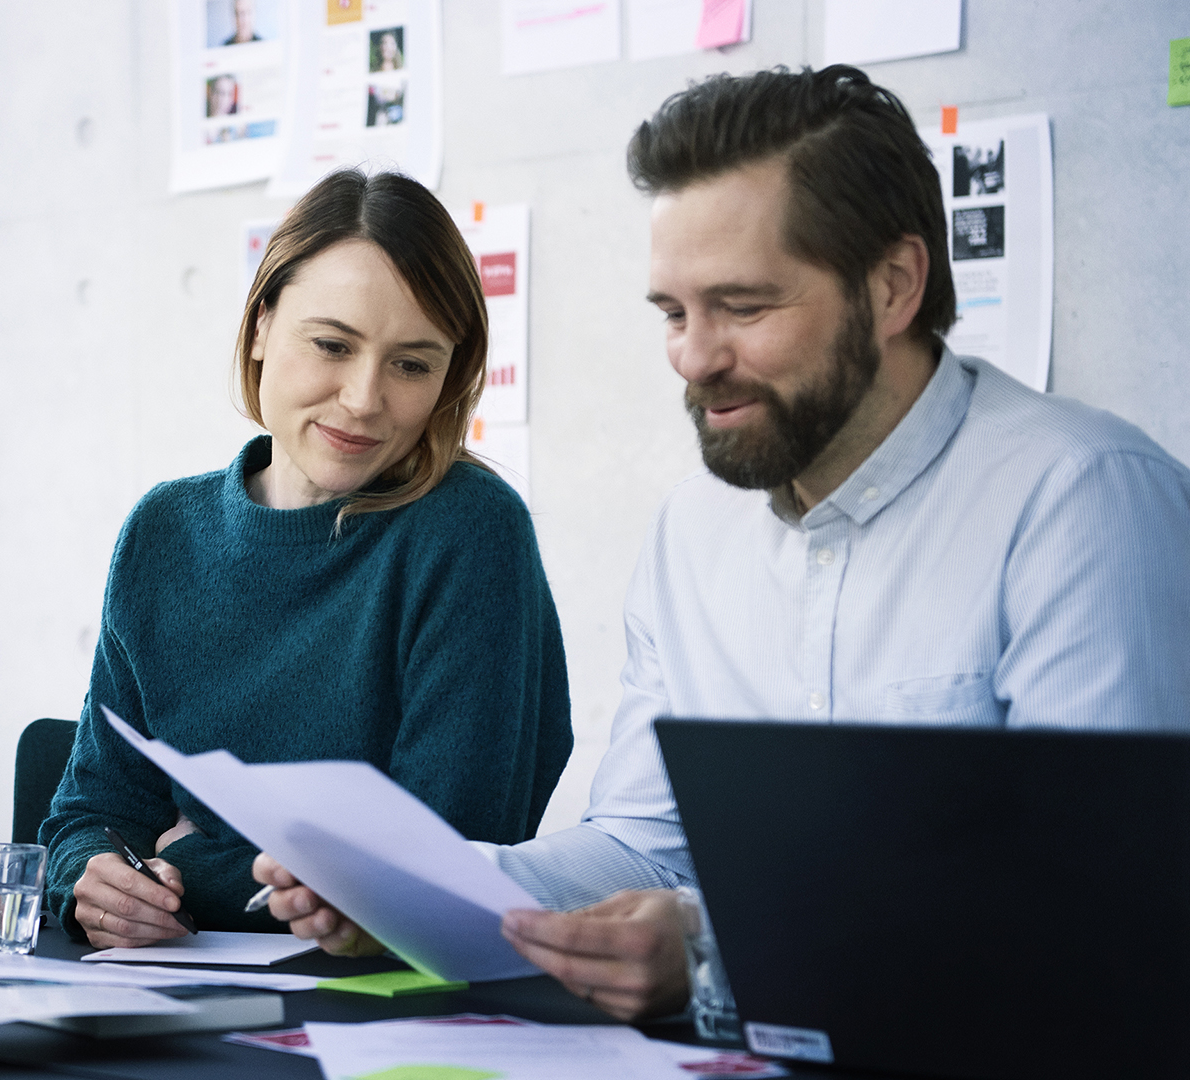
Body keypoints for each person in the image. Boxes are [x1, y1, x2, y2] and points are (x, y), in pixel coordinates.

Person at [257, 65, 1190, 1018]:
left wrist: (721, 955)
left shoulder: (1083, 500)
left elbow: (1102, 907)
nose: (693, 357)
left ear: (894, 285)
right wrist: (413, 894)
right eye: (674, 313)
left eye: (743, 307)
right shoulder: (694, 528)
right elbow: (644, 846)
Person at [41, 168, 573, 947]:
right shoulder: (164, 531)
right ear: (261, 325)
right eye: (332, 344)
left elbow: (439, 864)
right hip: (171, 987)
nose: (363, 398)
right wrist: (93, 881)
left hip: (386, 997)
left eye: (412, 364)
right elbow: (91, 814)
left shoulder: (470, 531)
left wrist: (187, 859)